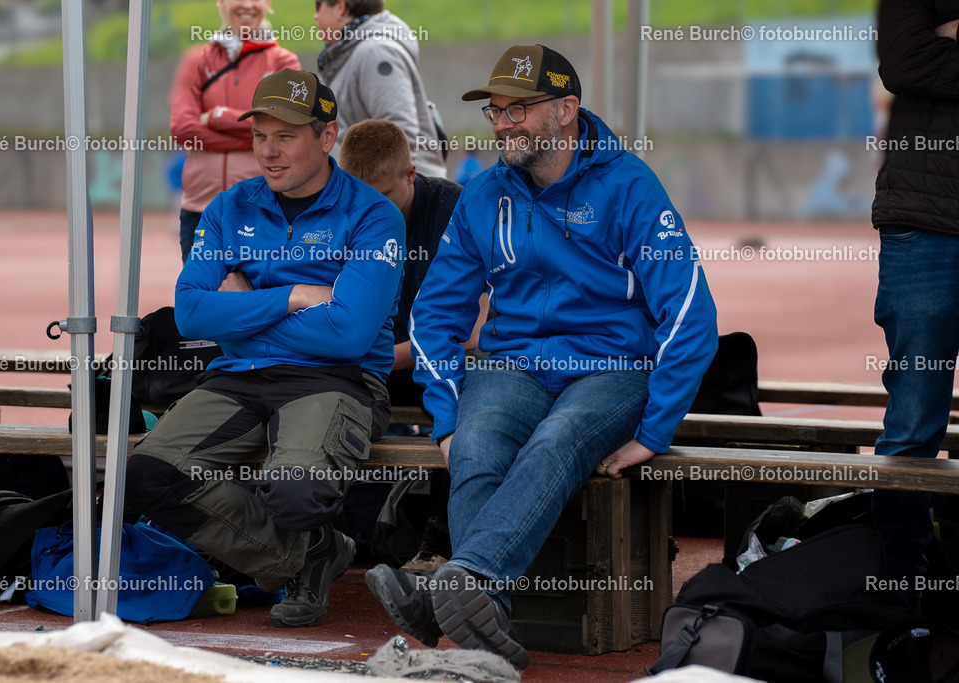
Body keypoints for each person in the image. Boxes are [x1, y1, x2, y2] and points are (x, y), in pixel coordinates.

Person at [363, 45, 719, 668]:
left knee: (558, 440)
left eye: (519, 110)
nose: (502, 123)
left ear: (567, 109)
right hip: (514, 363)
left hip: (612, 368)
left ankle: (460, 584)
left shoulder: (629, 185)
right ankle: (477, 610)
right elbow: (436, 313)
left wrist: (655, 429)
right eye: (497, 111)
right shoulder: (484, 194)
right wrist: (445, 415)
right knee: (474, 444)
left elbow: (690, 311)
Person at [124, 69, 405, 629]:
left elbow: (348, 335)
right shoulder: (230, 207)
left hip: (336, 379)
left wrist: (243, 312)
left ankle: (300, 550)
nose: (269, 152)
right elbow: (189, 314)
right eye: (260, 137)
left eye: (287, 136)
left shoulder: (375, 216)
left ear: (328, 138)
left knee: (295, 492)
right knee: (144, 476)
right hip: (237, 377)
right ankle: (307, 556)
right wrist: (296, 297)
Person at [339, 119, 488, 573]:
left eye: (382, 198)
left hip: (436, 366)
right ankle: (320, 537)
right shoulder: (337, 213)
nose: (370, 212)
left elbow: (479, 328)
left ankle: (438, 542)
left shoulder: (455, 210)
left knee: (474, 406)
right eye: (359, 199)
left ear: (410, 174)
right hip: (374, 367)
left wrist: (388, 357)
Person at [871, 0, 959, 601]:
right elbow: (905, 61)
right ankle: (898, 589)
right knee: (912, 422)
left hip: (923, 217)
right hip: (925, 220)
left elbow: (928, 59)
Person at [170, 0, 300, 262]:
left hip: (263, 208)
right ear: (221, 3)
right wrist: (257, 134)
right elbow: (182, 129)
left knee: (254, 298)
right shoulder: (197, 60)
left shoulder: (283, 61)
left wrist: (216, 116)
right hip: (199, 210)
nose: (248, 5)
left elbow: (285, 126)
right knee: (202, 296)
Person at [313, 0, 447, 178]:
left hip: (396, 198)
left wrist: (381, 199)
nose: (315, 16)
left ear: (340, 7)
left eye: (318, 7)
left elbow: (399, 134)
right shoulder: (350, 54)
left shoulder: (375, 52)